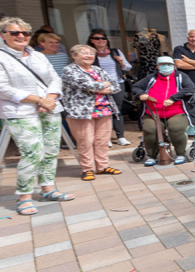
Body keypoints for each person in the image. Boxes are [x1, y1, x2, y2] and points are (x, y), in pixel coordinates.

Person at [0, 16, 73, 215]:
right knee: (33, 152)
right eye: (14, 33)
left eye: (25, 33)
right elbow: (3, 88)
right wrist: (38, 100)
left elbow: (54, 78)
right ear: (3, 35)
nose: (20, 36)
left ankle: (48, 188)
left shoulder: (38, 55)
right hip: (21, 112)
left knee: (50, 150)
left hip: (49, 108)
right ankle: (24, 196)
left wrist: (49, 99)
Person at [61, 44, 123, 180]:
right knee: (85, 140)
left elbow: (116, 85)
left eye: (91, 53)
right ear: (74, 55)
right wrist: (104, 85)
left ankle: (102, 166)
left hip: (104, 109)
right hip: (81, 111)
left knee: (102, 140)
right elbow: (88, 85)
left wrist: (100, 88)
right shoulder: (69, 70)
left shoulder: (97, 69)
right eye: (84, 53)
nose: (89, 56)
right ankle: (87, 168)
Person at [132, 57, 195, 166]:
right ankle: (152, 156)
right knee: (149, 129)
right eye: (162, 64)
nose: (166, 67)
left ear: (173, 66)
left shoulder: (181, 77)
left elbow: (190, 88)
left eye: (169, 64)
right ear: (157, 67)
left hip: (176, 111)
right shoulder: (151, 78)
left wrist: (173, 98)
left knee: (175, 128)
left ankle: (180, 153)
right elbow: (136, 87)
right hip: (153, 113)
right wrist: (141, 94)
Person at [88, 29, 132, 146]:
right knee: (102, 111)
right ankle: (106, 137)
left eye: (103, 38)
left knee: (117, 110)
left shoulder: (115, 52)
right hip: (100, 86)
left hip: (117, 83)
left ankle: (120, 136)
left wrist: (121, 62)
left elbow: (128, 67)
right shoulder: (90, 54)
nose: (101, 40)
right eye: (97, 38)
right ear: (92, 41)